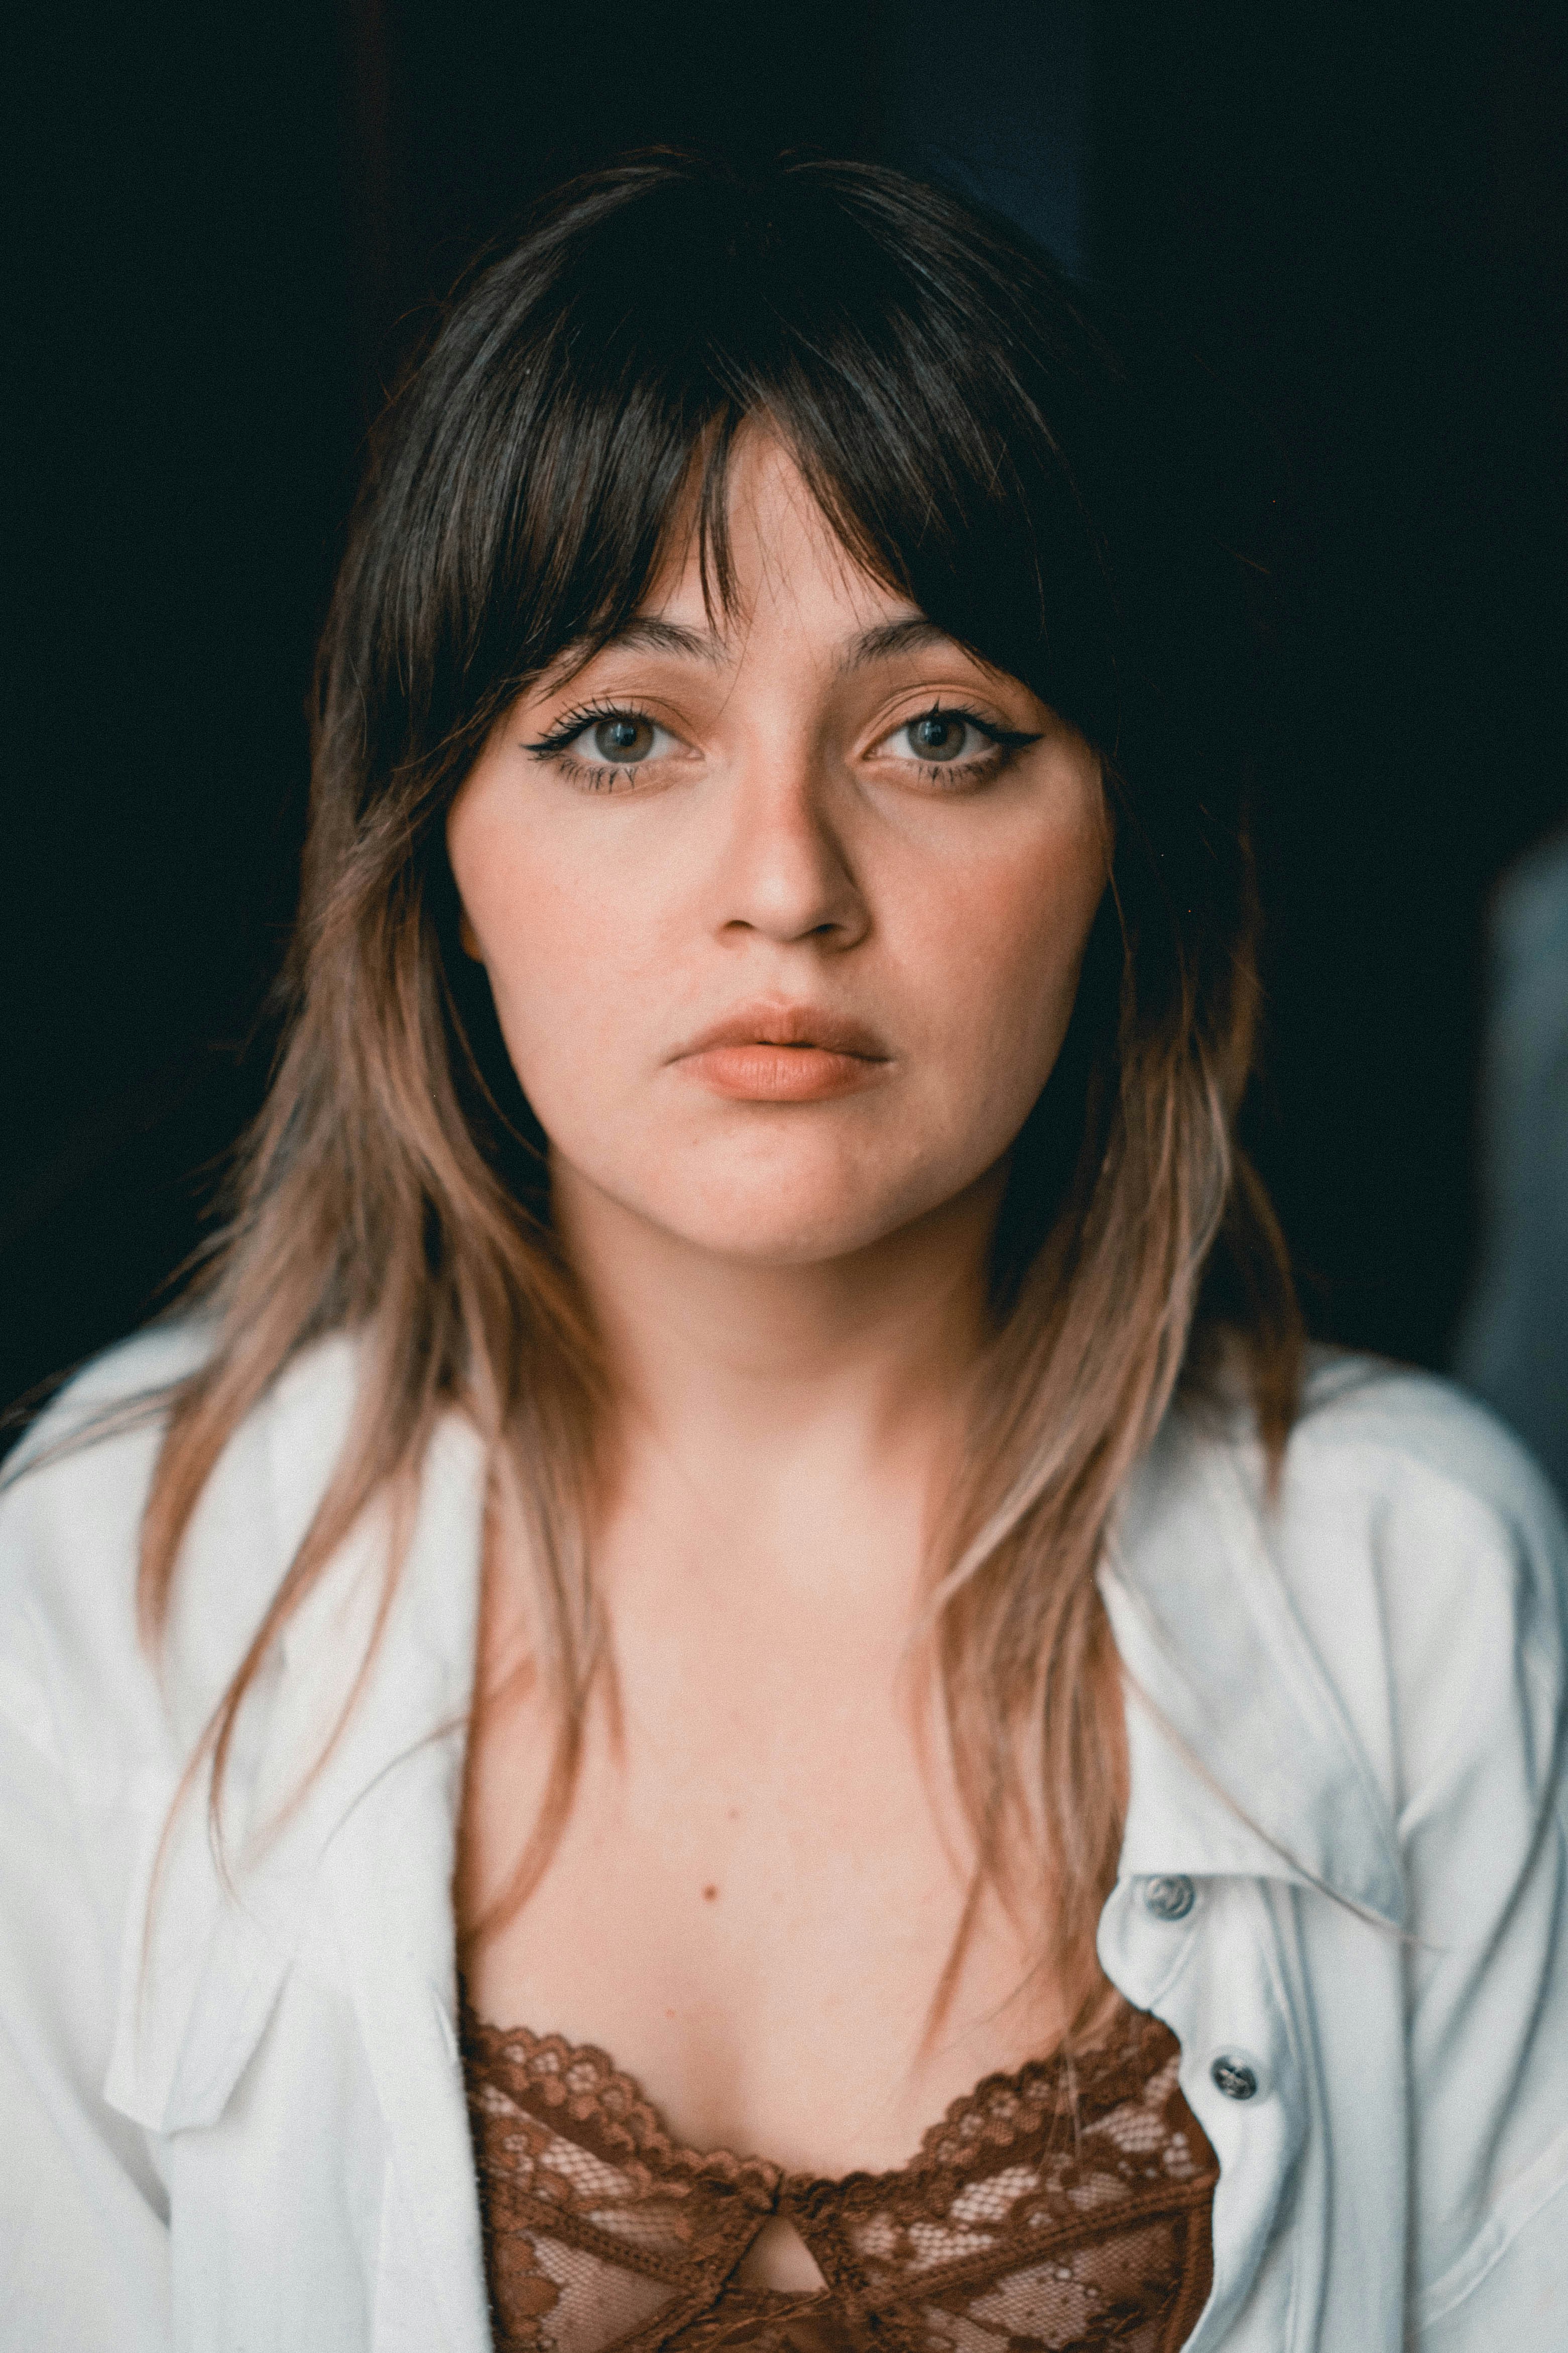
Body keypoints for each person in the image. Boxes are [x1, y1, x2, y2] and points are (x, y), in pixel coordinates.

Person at [1, 153, 1564, 2353]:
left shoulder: (1417, 1584)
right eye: (621, 733)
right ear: (439, 848)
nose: (786, 884)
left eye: (939, 735)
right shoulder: (114, 1586)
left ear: (1117, 840)